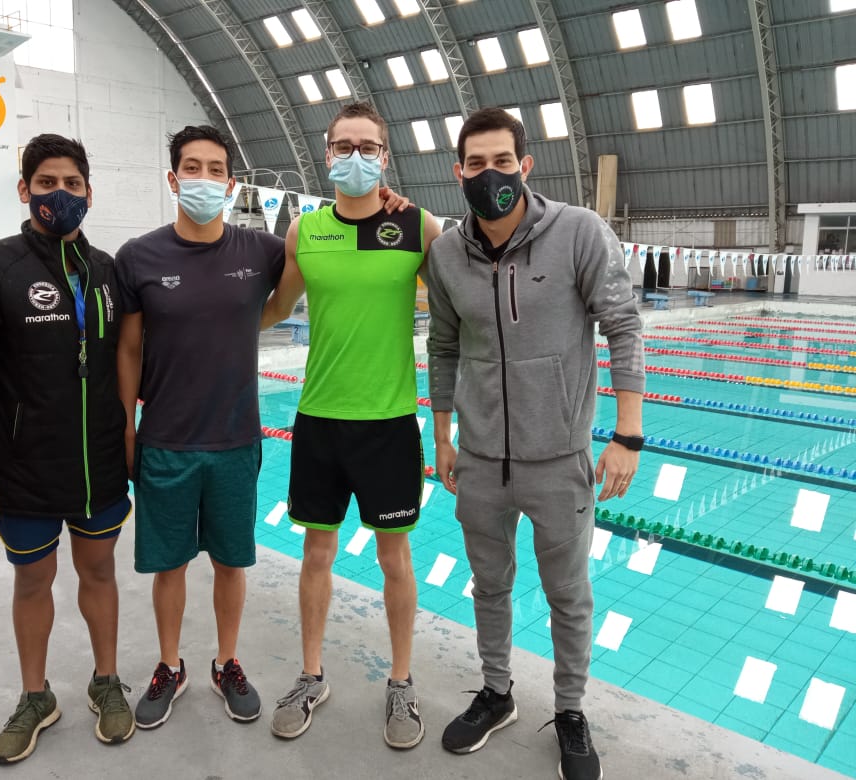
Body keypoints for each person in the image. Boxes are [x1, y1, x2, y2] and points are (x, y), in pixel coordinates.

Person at [114, 124, 411, 731]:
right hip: (165, 438)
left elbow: (322, 257)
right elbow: (127, 348)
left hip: (236, 438)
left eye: (215, 169)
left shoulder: (262, 250)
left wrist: (388, 203)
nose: (203, 179)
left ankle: (227, 663)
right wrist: (126, 427)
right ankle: (169, 666)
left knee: (231, 563)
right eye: (191, 168)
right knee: (169, 566)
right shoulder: (139, 257)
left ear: (231, 183)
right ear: (173, 178)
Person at [425, 107, 645, 780]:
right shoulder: (445, 254)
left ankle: (570, 711)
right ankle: (497, 693)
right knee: (489, 586)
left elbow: (623, 326)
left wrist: (627, 435)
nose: (489, 174)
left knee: (567, 595)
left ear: (524, 166)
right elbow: (443, 346)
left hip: (559, 459)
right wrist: (442, 434)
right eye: (476, 163)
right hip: (481, 458)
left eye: (502, 161)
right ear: (458, 171)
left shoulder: (578, 231)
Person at [0, 134, 135, 764]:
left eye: (72, 184)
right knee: (33, 579)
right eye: (47, 183)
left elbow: (131, 359)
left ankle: (106, 681)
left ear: (89, 193)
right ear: (24, 190)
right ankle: (34, 696)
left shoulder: (108, 273)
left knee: (99, 572)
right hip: (21, 470)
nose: (60, 194)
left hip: (98, 464)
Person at [262, 102, 443, 749]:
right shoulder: (304, 232)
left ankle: (401, 681)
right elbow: (273, 309)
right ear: (327, 153)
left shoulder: (419, 227)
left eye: (368, 147)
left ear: (385, 156)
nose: (356, 157)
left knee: (395, 557)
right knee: (317, 552)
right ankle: (311, 675)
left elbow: (465, 298)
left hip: (389, 421)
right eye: (345, 146)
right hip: (318, 418)